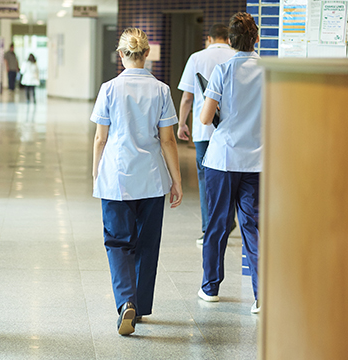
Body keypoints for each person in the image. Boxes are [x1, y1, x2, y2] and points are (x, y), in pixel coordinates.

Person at [91, 28, 183, 336]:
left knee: (118, 242)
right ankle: (139, 307)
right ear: (147, 55)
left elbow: (100, 138)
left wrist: (96, 172)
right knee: (146, 244)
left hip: (117, 176)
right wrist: (176, 180)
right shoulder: (161, 90)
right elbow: (168, 140)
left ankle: (125, 301)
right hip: (152, 178)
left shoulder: (108, 89)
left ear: (121, 55)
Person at [198, 12, 262, 314]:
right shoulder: (269, 71)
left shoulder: (223, 70)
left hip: (222, 160)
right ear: (256, 39)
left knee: (217, 225)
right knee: (254, 226)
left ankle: (210, 288)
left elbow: (205, 118)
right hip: (257, 160)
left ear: (232, 41)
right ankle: (262, 296)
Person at [177, 24, 236, 245]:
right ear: (228, 38)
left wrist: (182, 123)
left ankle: (208, 227)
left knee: (205, 177)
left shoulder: (196, 58)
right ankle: (228, 220)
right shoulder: (236, 56)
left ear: (209, 38)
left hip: (203, 129)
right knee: (230, 175)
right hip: (230, 129)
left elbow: (187, 97)